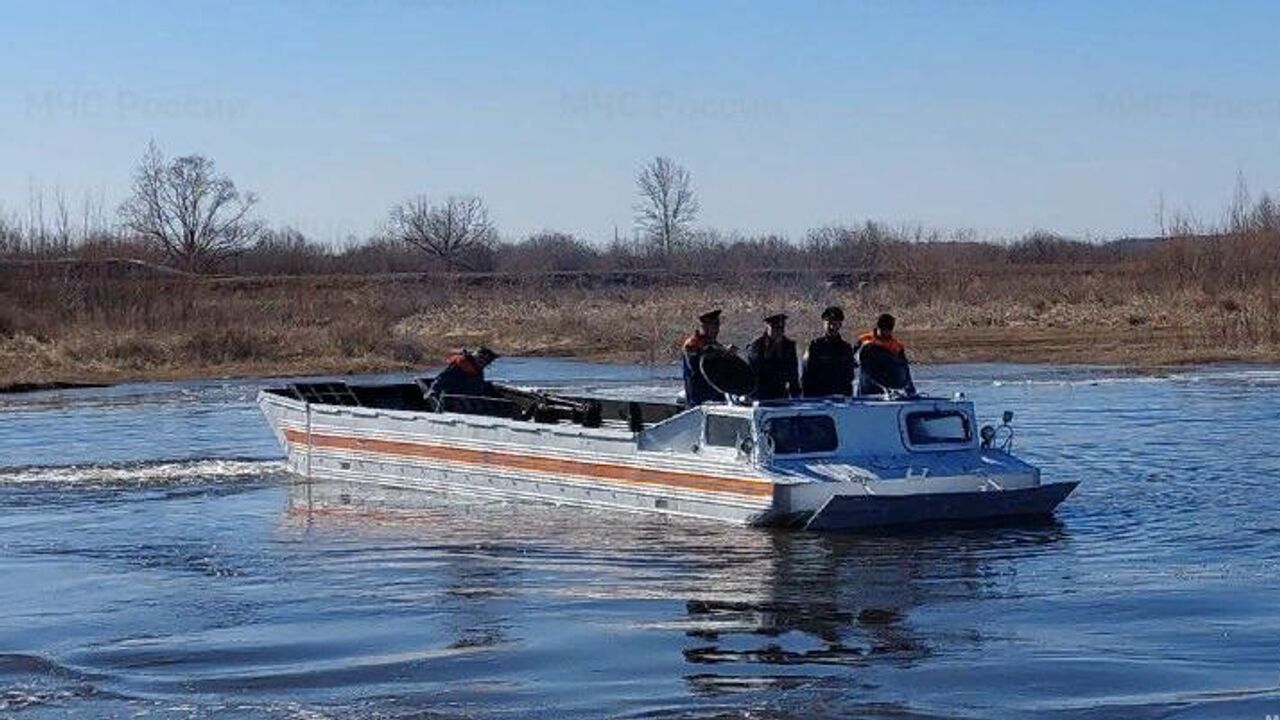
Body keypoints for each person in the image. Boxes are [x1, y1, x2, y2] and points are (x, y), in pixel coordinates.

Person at [853, 313, 915, 396]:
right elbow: (853, 360)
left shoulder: (896, 347)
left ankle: (893, 392)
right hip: (866, 390)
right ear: (877, 327)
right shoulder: (865, 341)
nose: (884, 332)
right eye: (882, 329)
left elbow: (905, 369)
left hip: (886, 390)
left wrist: (910, 389)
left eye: (888, 329)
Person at [802, 305, 856, 397]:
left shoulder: (846, 348)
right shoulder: (815, 346)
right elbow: (806, 377)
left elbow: (849, 377)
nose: (832, 327)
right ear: (824, 324)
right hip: (818, 400)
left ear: (840, 325)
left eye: (835, 324)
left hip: (841, 400)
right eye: (829, 323)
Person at [746, 313, 800, 401]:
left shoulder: (788, 345)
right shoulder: (757, 346)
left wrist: (796, 395)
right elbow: (756, 370)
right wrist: (772, 348)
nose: (779, 332)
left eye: (781, 329)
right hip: (761, 393)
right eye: (775, 328)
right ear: (768, 327)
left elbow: (793, 372)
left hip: (781, 392)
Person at [682, 309, 728, 407]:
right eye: (714, 327)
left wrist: (727, 354)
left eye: (718, 326)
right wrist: (718, 355)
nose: (717, 330)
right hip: (698, 400)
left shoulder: (715, 345)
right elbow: (696, 367)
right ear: (704, 327)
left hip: (716, 396)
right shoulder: (692, 344)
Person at [427, 346, 498, 403]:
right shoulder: (459, 366)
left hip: (471, 398)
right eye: (486, 361)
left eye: (488, 362)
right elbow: (441, 378)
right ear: (479, 358)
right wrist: (433, 390)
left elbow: (479, 386)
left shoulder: (477, 369)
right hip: (454, 398)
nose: (486, 364)